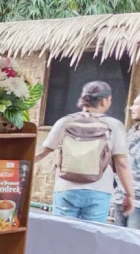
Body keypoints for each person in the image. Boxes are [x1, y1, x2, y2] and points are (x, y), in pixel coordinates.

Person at [36, 81, 134, 223]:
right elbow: (122, 164)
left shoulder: (65, 121)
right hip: (99, 190)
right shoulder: (114, 125)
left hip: (66, 188)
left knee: (62, 232)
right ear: (104, 100)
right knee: (92, 234)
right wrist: (129, 194)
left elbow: (42, 152)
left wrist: (18, 164)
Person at [113, 94, 140, 228]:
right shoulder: (130, 134)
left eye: (136, 104)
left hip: (137, 203)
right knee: (117, 238)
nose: (131, 108)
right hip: (120, 198)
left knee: (134, 238)